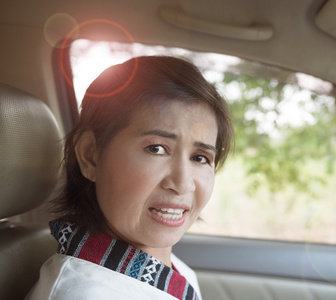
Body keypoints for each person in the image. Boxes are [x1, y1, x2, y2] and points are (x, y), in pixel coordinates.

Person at [27, 56, 234, 300]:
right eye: (156, 149)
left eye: (200, 158)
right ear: (90, 156)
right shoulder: (83, 293)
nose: (182, 183)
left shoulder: (172, 270)